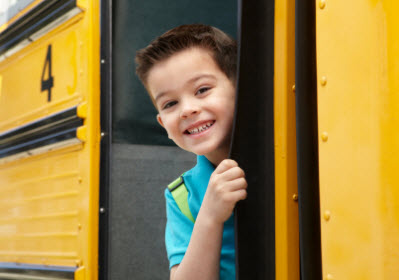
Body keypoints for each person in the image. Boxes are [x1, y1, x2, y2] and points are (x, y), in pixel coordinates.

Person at [135, 24, 247, 280]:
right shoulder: (182, 196)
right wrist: (210, 214)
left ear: (241, 90)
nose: (187, 109)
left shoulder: (287, 159)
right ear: (164, 124)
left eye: (202, 90)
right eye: (170, 104)